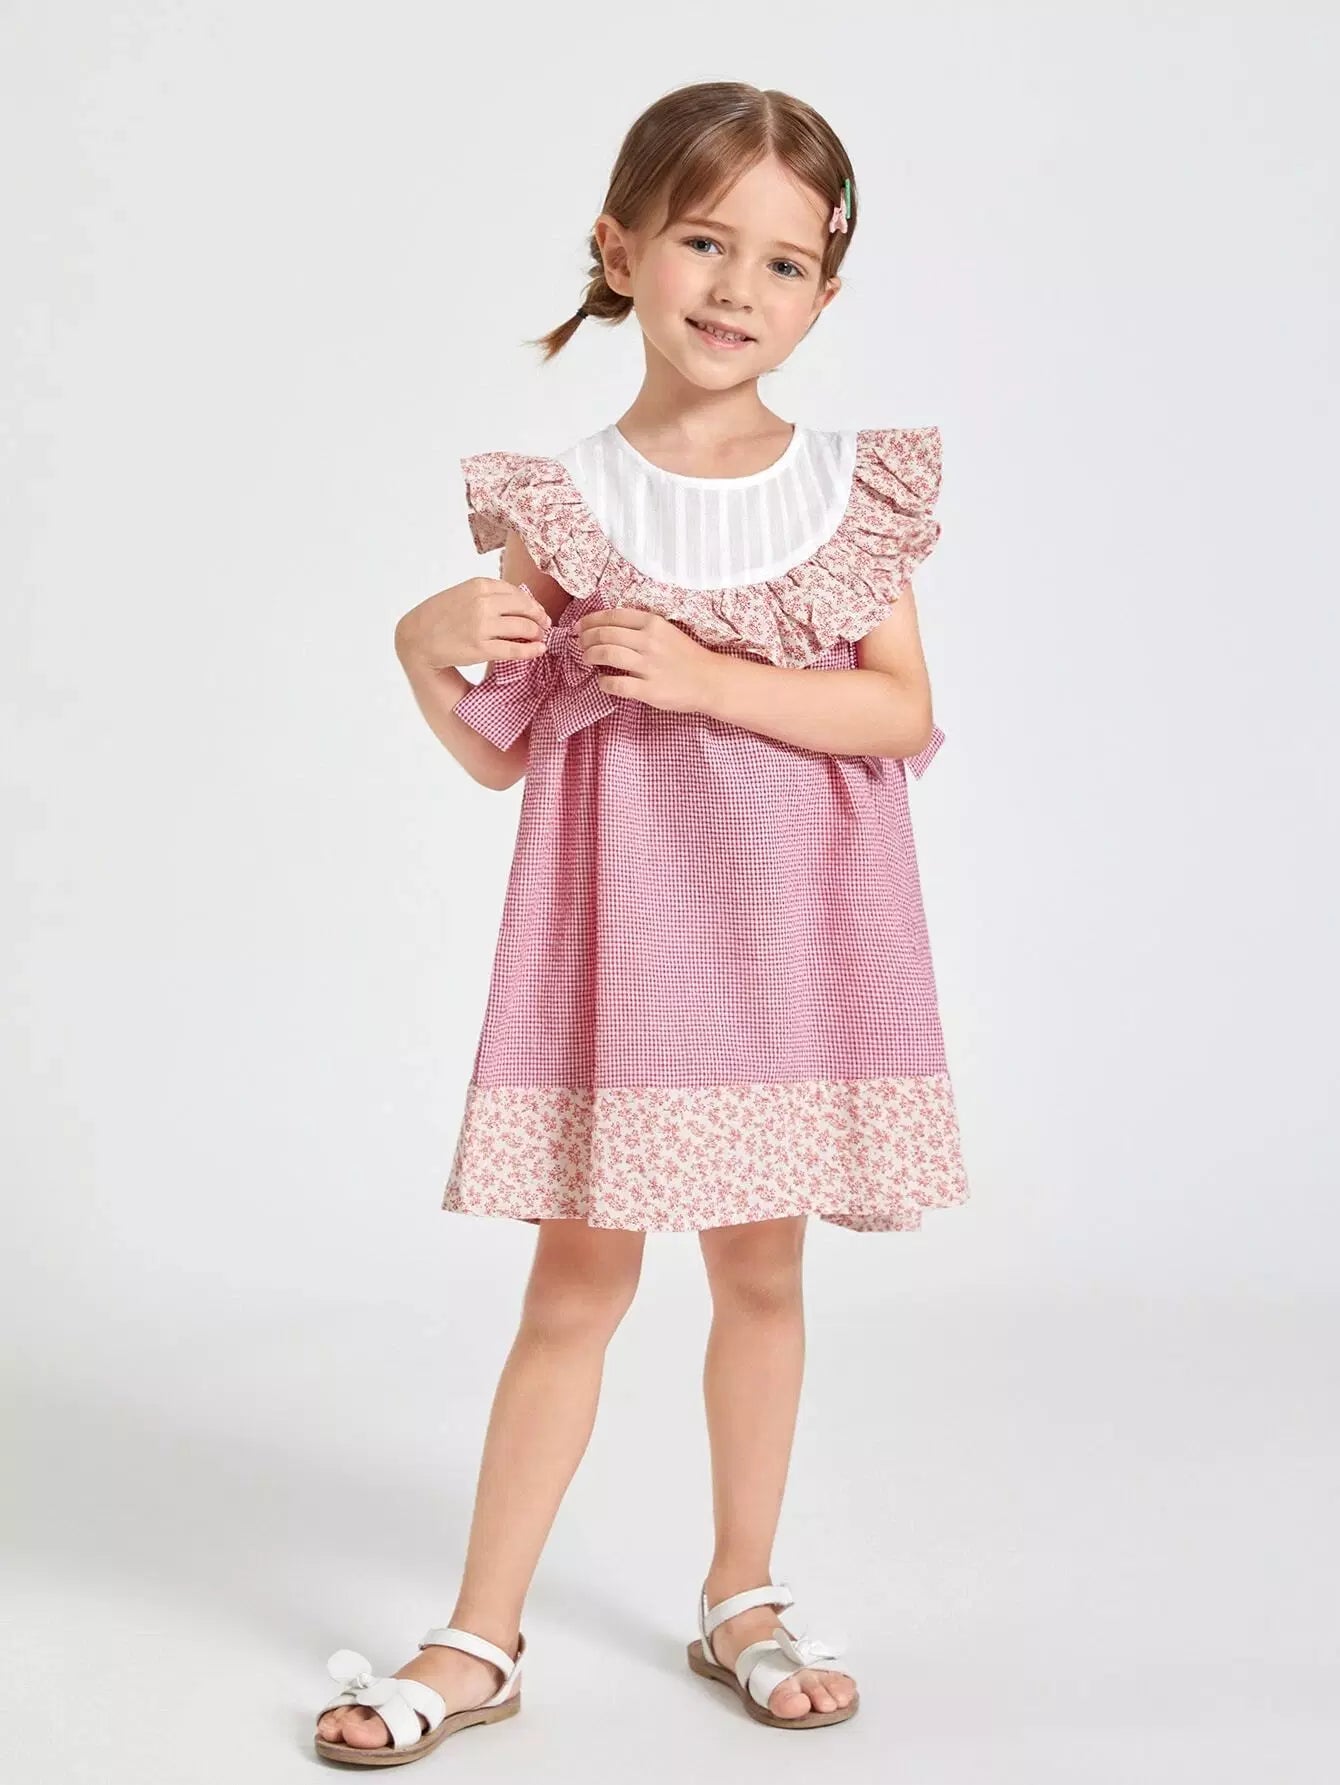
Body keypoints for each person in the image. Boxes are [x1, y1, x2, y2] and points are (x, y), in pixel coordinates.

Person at [314, 77, 970, 1766]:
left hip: (796, 957)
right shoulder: (563, 507)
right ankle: (481, 1633)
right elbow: (502, 750)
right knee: (573, 1287)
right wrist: (419, 647)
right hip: (624, 960)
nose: (739, 289)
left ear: (826, 291)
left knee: (762, 1271)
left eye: (785, 262)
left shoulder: (851, 491)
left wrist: (710, 677)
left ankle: (743, 1592)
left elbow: (899, 710)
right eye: (703, 242)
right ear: (619, 251)